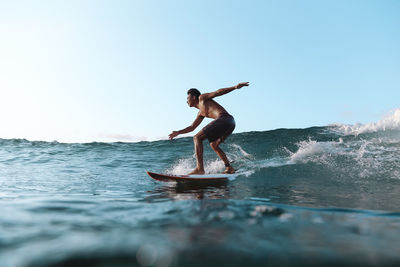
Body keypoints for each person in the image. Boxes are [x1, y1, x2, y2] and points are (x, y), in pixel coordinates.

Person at [169, 82, 249, 174]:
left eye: (188, 98)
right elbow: (192, 127)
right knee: (213, 144)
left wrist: (235, 87)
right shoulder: (200, 113)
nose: (186, 101)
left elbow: (217, 92)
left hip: (224, 119)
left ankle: (200, 169)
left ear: (194, 97)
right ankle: (229, 167)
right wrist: (178, 132)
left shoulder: (202, 98)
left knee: (196, 138)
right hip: (231, 123)